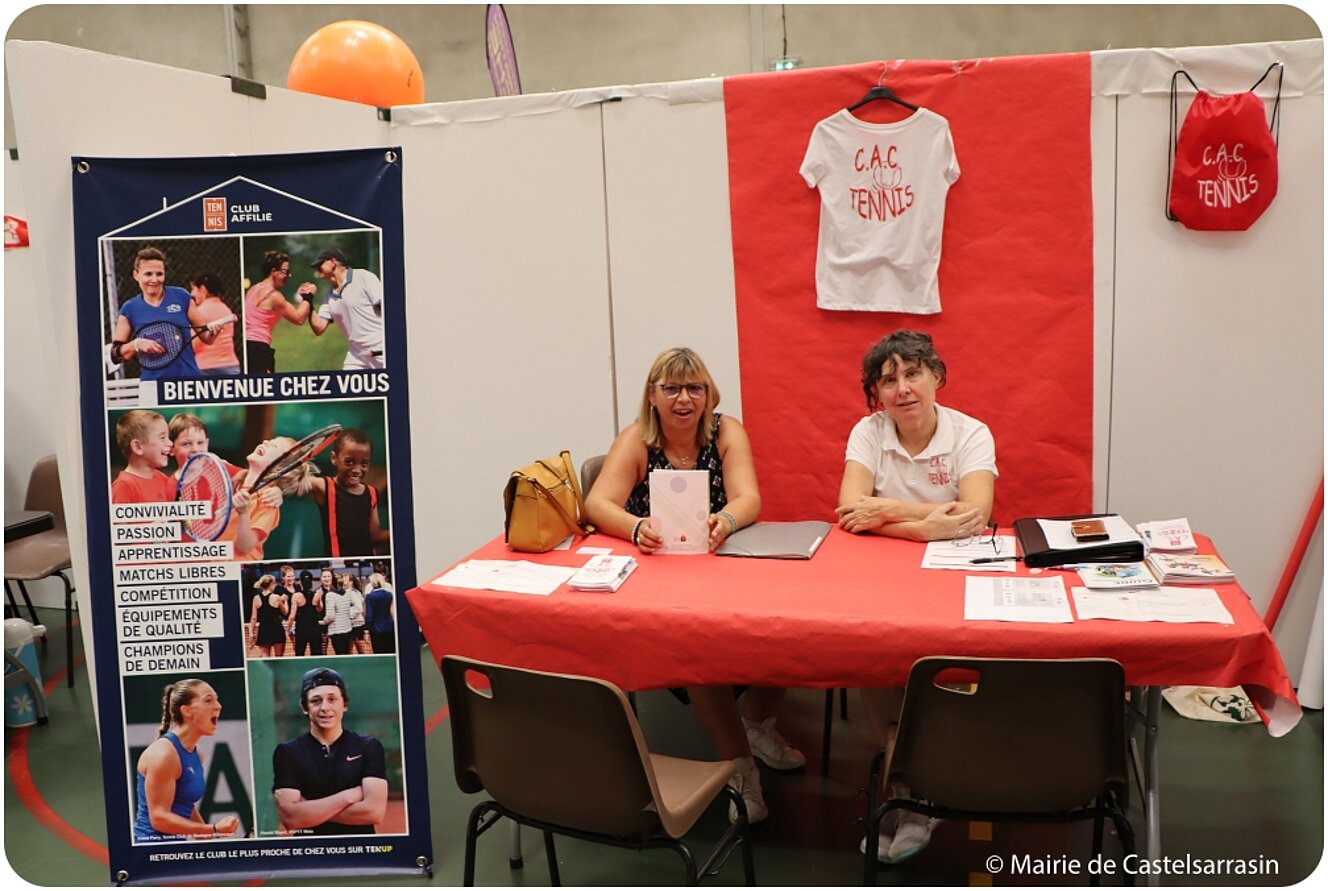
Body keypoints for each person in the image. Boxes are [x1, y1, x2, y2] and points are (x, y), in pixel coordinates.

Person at [584, 346, 805, 824]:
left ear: (708, 394)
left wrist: (725, 519)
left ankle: (756, 727)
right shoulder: (636, 440)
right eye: (672, 388)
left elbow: (750, 498)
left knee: (788, 625)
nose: (684, 398)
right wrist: (635, 528)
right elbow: (598, 503)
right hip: (660, 575)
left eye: (694, 387)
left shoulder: (726, 431)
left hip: (724, 566)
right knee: (698, 647)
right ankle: (741, 769)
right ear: (653, 395)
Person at [836, 329, 997, 865]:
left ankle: (916, 789)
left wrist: (883, 511)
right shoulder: (868, 431)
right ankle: (909, 793)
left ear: (936, 378)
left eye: (913, 373)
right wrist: (922, 526)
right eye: (888, 380)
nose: (902, 388)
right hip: (881, 572)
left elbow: (972, 515)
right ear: (876, 394)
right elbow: (847, 509)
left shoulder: (971, 432)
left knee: (930, 666)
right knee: (868, 658)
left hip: (955, 577)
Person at [272, 667, 387, 836]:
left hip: (361, 852)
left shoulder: (368, 747)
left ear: (344, 704)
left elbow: (374, 813)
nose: (324, 707)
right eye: (316, 701)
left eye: (332, 699)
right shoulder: (287, 752)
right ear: (305, 707)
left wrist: (308, 811)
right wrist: (349, 796)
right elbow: (292, 819)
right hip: (310, 854)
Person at [133, 679, 241, 842]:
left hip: (177, 848)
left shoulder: (197, 754)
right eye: (208, 700)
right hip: (150, 849)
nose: (218, 706)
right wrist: (213, 829)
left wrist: (209, 839)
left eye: (217, 699)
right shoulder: (164, 754)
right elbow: (159, 818)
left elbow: (185, 805)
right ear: (187, 711)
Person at [109, 247, 225, 380]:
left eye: (159, 274)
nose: (154, 279)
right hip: (152, 384)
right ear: (136, 275)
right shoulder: (129, 309)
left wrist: (213, 332)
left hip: (188, 380)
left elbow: (206, 337)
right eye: (148, 274)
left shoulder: (182, 297)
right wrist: (136, 344)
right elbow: (114, 355)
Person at [217, 435, 319, 562]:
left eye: (274, 446)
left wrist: (243, 513)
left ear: (281, 470)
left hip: (239, 572)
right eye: (269, 441)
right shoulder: (231, 479)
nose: (265, 441)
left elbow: (244, 547)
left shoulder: (268, 501)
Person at [168, 413, 283, 510]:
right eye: (186, 444)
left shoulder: (221, 468)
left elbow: (256, 477)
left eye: (200, 443)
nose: (195, 449)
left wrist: (277, 490)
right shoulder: (167, 487)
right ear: (171, 449)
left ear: (207, 443)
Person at [306, 428, 390, 557]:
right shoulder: (325, 486)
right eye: (349, 462)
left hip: (369, 565)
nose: (357, 469)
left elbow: (375, 536)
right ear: (334, 458)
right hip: (338, 566)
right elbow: (294, 480)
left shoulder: (372, 493)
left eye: (364, 464)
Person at [300, 248, 385, 370]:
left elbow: (389, 311)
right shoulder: (330, 295)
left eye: (320, 265)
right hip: (356, 356)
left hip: (381, 351)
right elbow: (318, 328)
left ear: (333, 262)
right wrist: (308, 300)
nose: (317, 270)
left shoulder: (364, 277)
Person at [243, 251, 310, 374]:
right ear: (274, 272)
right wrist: (308, 297)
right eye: (286, 271)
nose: (289, 275)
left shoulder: (253, 289)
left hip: (244, 347)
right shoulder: (274, 296)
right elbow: (299, 318)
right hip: (259, 350)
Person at [111, 410, 176, 504]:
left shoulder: (162, 478)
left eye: (168, 437)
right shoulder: (122, 486)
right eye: (162, 438)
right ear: (137, 447)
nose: (170, 443)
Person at [186, 272, 241, 376]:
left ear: (202, 289)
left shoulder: (199, 312)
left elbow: (192, 344)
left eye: (193, 289)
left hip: (206, 367)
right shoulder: (226, 310)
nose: (191, 294)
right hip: (231, 366)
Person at [248, 573, 289, 658]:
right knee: (279, 659)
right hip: (277, 629)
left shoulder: (256, 598)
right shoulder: (276, 597)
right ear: (271, 584)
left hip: (264, 630)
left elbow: (253, 618)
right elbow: (285, 613)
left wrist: (251, 633)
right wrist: (285, 601)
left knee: (265, 659)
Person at [287, 568, 325, 657]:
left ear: (300, 582)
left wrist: (288, 629)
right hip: (314, 629)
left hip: (301, 630)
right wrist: (319, 599)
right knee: (317, 655)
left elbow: (292, 616)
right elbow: (319, 610)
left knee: (299, 654)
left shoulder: (296, 596)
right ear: (312, 582)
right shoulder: (316, 594)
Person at [319, 570, 357, 655]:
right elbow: (353, 603)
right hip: (348, 630)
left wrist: (323, 622)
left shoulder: (330, 595)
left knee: (340, 655)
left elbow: (330, 616)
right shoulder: (348, 592)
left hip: (336, 632)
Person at [362, 573, 395, 655]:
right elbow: (391, 611)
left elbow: (369, 615)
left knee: (379, 653)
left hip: (376, 630)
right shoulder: (389, 595)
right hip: (389, 628)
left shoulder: (370, 597)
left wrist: (366, 630)